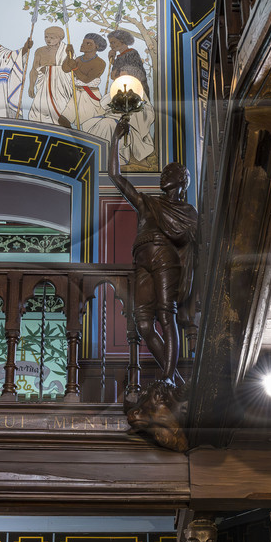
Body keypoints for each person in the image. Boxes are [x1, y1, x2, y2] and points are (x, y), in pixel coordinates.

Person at [108, 120, 196, 382]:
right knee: (144, 323)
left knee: (165, 314)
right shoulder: (146, 202)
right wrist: (114, 140)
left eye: (169, 172)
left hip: (164, 259)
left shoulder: (188, 213)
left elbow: (197, 242)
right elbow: (116, 176)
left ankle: (168, 377)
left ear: (181, 180)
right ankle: (175, 377)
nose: (163, 176)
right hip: (142, 260)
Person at [105, 29, 157, 168]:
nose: (111, 45)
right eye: (110, 43)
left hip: (135, 93)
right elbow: (113, 76)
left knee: (137, 123)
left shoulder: (132, 53)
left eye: (113, 42)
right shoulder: (118, 56)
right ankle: (126, 154)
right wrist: (111, 59)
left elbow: (134, 73)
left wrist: (122, 72)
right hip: (123, 93)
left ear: (122, 41)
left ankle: (140, 156)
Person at [21, 26, 74, 128]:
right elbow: (34, 69)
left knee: (60, 111)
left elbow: (69, 69)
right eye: (46, 37)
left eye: (52, 37)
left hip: (60, 89)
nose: (48, 40)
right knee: (39, 111)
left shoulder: (65, 51)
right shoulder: (40, 51)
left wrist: (68, 55)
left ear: (60, 38)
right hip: (43, 87)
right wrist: (31, 86)